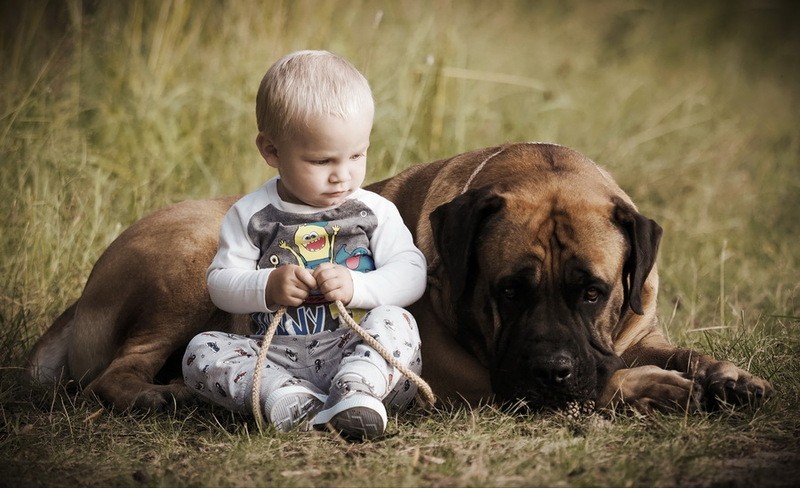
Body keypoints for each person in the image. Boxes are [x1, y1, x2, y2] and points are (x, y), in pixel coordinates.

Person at [182, 50, 427, 440]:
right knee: (202, 349)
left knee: (399, 322)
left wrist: (358, 287)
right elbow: (220, 283)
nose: (342, 175)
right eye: (322, 161)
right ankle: (284, 398)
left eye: (357, 155)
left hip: (361, 353)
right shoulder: (252, 214)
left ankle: (356, 393)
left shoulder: (372, 211)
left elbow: (411, 272)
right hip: (275, 357)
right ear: (272, 151)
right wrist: (267, 286)